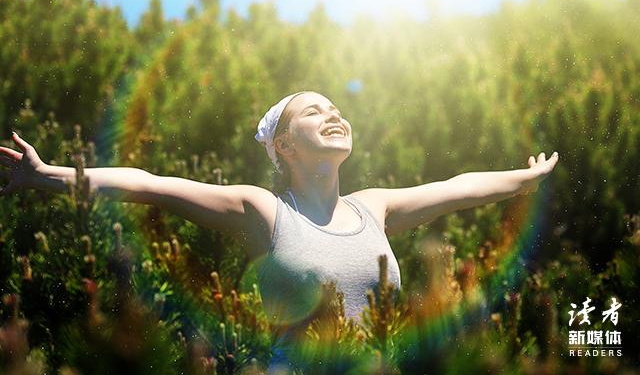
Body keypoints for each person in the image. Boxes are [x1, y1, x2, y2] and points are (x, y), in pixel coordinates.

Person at [0, 90, 559, 373]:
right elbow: (150, 184)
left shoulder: (375, 207)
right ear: (285, 147)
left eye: (337, 108)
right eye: (315, 112)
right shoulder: (264, 211)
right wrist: (48, 176)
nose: (334, 114)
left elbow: (459, 187)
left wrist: (525, 179)